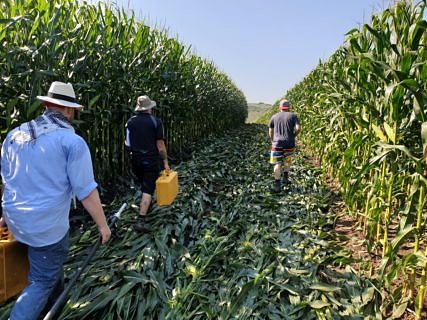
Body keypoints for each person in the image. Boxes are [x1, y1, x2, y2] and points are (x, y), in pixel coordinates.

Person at [0, 81, 111, 320]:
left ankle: (54, 307)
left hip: (16, 221)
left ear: (47, 105)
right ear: (69, 110)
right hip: (45, 226)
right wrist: (103, 226)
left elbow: (8, 181)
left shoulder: (14, 135)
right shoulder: (71, 142)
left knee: (46, 268)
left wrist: (4, 216)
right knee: (41, 281)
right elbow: (86, 192)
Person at [125, 95, 170, 232]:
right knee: (148, 188)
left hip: (135, 159)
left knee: (144, 184)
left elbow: (127, 143)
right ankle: (141, 219)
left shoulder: (130, 122)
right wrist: (165, 162)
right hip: (150, 159)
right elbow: (160, 145)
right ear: (149, 107)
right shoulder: (155, 121)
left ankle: (146, 204)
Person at [268, 99, 301, 193]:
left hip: (277, 143)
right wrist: (294, 135)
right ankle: (285, 178)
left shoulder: (274, 116)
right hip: (289, 143)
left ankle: (277, 185)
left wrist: (272, 140)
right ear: (289, 107)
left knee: (277, 163)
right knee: (287, 160)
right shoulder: (293, 116)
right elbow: (298, 128)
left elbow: (270, 131)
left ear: (280, 107)